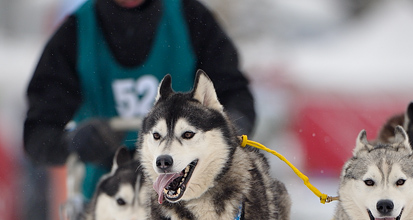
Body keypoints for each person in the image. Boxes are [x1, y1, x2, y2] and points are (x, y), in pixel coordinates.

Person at [23, 0, 256, 199]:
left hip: (192, 201)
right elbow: (37, 136)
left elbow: (236, 98)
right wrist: (74, 142)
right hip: (108, 208)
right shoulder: (74, 35)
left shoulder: (191, 18)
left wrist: (228, 129)